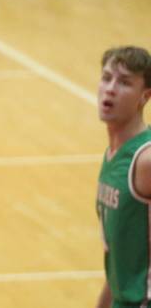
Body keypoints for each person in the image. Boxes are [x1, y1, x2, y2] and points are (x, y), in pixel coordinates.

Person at [95, 46, 151, 308]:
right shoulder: (112, 155)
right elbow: (119, 257)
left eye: (125, 82)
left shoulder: (145, 160)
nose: (111, 88)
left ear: (145, 96)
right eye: (107, 78)